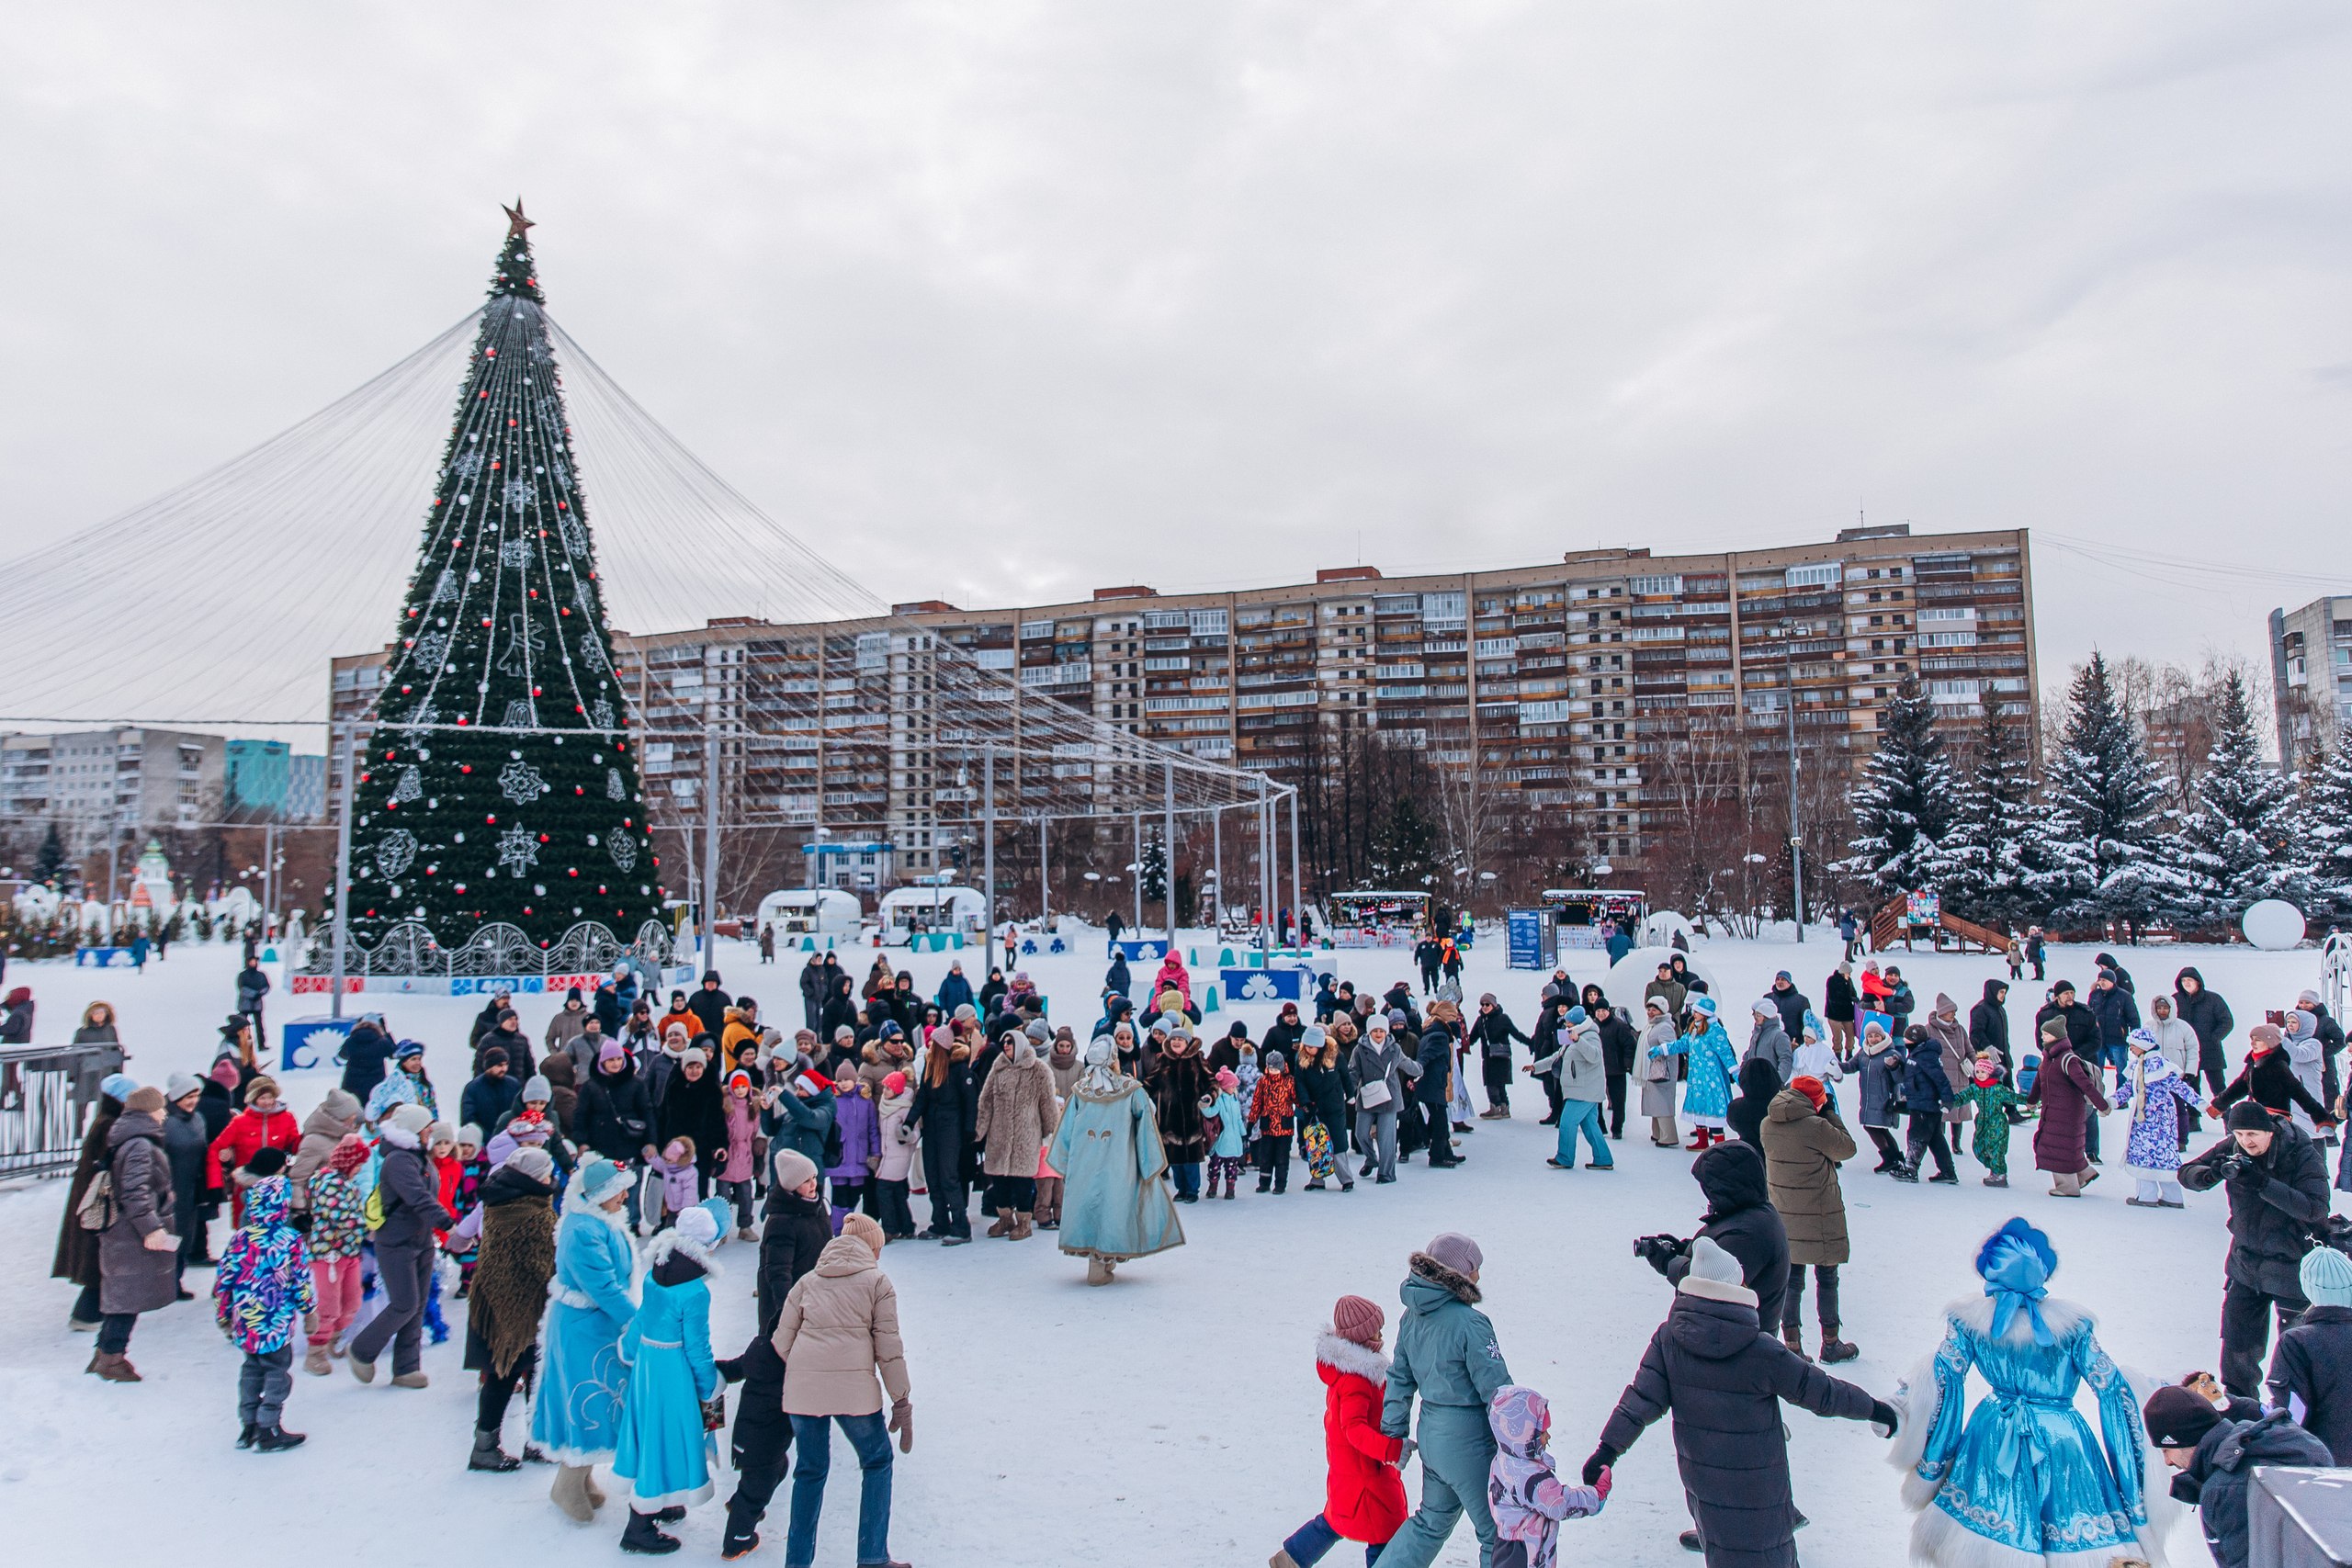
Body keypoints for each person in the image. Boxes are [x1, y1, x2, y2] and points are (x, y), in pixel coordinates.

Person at [1588, 1235, 1891, 1568]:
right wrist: (1874, 1409)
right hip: (1761, 1492)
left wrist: (1607, 1451)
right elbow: (1822, 1392)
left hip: (1705, 1490)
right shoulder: (1759, 1349)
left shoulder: (1669, 1340)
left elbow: (1639, 1400)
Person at [1889, 1218, 2162, 1568]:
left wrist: (1903, 1406)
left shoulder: (1969, 1322)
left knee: (1988, 1533)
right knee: (2073, 1527)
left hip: (1993, 1432)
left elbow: (1943, 1377)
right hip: (2064, 1439)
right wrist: (2153, 1396)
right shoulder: (2073, 1326)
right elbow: (2111, 1388)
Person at [772, 1213, 912, 1568]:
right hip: (855, 1393)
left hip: (804, 1392)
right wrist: (901, 1400)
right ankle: (873, 1556)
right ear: (871, 1247)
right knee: (877, 1461)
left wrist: (808, 1369)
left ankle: (797, 1563)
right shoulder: (877, 1282)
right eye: (878, 1248)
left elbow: (781, 1341)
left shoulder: (807, 1281)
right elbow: (888, 1348)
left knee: (810, 1470)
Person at [2180, 1102, 2334, 1397]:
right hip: (2246, 1264)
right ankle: (2241, 1408)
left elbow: (2315, 1209)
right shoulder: (2234, 1147)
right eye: (2239, 1134)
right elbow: (2186, 1173)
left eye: (2252, 1134)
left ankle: (2294, 1412)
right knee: (2237, 1348)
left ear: (2270, 1131)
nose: (2246, 1141)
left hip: (2293, 1267)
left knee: (2297, 1353)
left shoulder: (2300, 1152)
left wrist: (2263, 1184)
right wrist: (2209, 1174)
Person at [1378, 1234, 1511, 1568]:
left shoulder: (1411, 1317)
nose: (1478, 1275)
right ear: (1459, 1272)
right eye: (1474, 1267)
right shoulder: (1471, 1324)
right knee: (1497, 1533)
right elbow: (1497, 1389)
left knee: (1430, 1522)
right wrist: (1522, 1436)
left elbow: (1399, 1378)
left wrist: (1393, 1431)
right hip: (1468, 1440)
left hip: (1432, 1435)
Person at [612, 1197, 734, 1555]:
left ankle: (664, 1501)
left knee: (651, 1433)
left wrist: (629, 1348)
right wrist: (710, 1384)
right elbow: (697, 1347)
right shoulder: (695, 1290)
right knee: (668, 1438)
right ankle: (638, 1527)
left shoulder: (656, 1272)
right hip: (673, 1373)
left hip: (648, 1367)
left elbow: (643, 1318)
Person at [1272, 1295, 1408, 1568]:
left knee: (1337, 1520)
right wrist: (1392, 1450)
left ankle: (1289, 1559)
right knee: (1384, 1531)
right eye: (1375, 1331)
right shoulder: (1357, 1379)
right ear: (1361, 1337)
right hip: (1367, 1475)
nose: (1381, 1336)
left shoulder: (1351, 1372)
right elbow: (1354, 1430)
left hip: (1350, 1471)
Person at [2144, 1382, 2333, 1568]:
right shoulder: (2278, 1442)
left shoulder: (2224, 1490)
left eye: (2166, 1450)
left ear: (2183, 1440)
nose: (2167, 1461)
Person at [1046, 1037, 1184, 1284]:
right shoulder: (1131, 1091)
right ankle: (1102, 1263)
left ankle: (1100, 1262)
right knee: (1114, 1207)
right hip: (1120, 1163)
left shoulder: (1081, 1091)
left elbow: (1065, 1131)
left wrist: (1064, 1162)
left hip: (1085, 1164)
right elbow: (1146, 1126)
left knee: (1091, 1206)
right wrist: (1149, 1162)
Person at [1635, 1139, 1791, 1338]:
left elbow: (1709, 1285)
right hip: (1729, 1333)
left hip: (1735, 1342)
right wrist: (1685, 1249)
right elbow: (1720, 1254)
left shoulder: (1748, 1233)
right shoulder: (1748, 1213)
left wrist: (1667, 1262)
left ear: (1728, 1187)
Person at [1759, 1075, 1858, 1362]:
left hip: (1784, 1213)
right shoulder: (1816, 1127)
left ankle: (1792, 1345)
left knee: (1791, 1280)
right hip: (1820, 1214)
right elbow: (1847, 1149)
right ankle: (1831, 1343)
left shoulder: (1768, 1124)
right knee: (1827, 1277)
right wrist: (1831, 1115)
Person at [213, 1169, 313, 1451]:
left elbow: (225, 1279)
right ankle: (269, 1427)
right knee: (277, 1371)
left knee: (251, 1368)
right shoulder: (289, 1240)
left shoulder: (240, 1238)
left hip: (245, 1319)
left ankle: (248, 1425)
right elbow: (299, 1280)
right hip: (275, 1320)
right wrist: (309, 1310)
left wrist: (223, 1313)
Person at [88, 1085, 177, 1382]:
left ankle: (103, 1354)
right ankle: (112, 1359)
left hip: (123, 1232)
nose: (164, 1114)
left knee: (122, 1296)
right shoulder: (140, 1144)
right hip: (131, 1234)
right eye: (160, 1108)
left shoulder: (128, 1138)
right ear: (148, 1111)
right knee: (127, 1298)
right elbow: (135, 1193)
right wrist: (151, 1228)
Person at [1487, 1384, 1608, 1568]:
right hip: (1524, 1554)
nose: (1548, 1436)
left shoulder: (1505, 1458)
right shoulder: (1530, 1476)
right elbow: (1560, 1504)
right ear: (1523, 1434)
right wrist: (1596, 1495)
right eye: (1542, 1432)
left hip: (1507, 1548)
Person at [975, 1032, 1060, 1235]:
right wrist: (979, 1130)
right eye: (1004, 1042)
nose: (1005, 1045)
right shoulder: (999, 1067)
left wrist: (1052, 1129)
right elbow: (986, 1101)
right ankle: (1005, 1219)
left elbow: (1047, 1103)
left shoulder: (1038, 1069)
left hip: (1026, 1135)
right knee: (999, 1180)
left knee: (1023, 1181)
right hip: (999, 1135)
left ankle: (1024, 1222)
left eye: (1010, 1042)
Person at [906, 1032, 976, 1245]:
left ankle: (961, 1226)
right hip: (932, 1128)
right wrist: (909, 1121)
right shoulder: (931, 1066)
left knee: (948, 1177)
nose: (929, 1047)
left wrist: (969, 1129)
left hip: (951, 1129)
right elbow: (922, 1098)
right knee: (933, 1176)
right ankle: (940, 1222)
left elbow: (971, 1101)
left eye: (933, 1044)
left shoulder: (959, 1069)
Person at [2027, 1016, 2109, 1198]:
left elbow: (2085, 1085)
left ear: (2057, 1036)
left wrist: (2102, 1105)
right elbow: (2038, 1083)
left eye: (2046, 1034)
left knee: (2058, 1148)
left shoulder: (2068, 1059)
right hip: (2053, 1112)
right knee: (2063, 1146)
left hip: (2068, 1113)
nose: (2043, 1037)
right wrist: (2031, 1101)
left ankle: (2067, 1187)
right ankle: (2084, 1174)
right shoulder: (2048, 1058)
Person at [2123, 1026, 2203, 1208]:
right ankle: (2172, 1197)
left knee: (2146, 1154)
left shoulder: (2161, 1066)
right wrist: (2110, 1103)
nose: (2131, 1049)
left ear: (2143, 1046)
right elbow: (2128, 1089)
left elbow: (2181, 1088)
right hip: (2153, 1120)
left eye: (2133, 1045)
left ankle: (2146, 1196)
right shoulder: (2138, 1066)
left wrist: (2202, 1104)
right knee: (2163, 1155)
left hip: (2153, 1120)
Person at [207, 1075, 301, 1225]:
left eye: (270, 1097)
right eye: (262, 1098)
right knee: (248, 1229)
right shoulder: (240, 1123)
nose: (268, 1102)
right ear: (253, 1098)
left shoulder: (287, 1118)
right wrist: (216, 1184)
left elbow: (296, 1146)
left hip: (277, 1186)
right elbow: (215, 1148)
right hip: (246, 1186)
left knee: (277, 1228)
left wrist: (308, 1138)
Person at [1531, 1008, 1612, 1172]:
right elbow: (1556, 1057)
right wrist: (1535, 1067)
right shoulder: (1572, 1037)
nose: (1566, 1026)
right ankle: (1603, 1159)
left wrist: (1578, 1040)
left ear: (1577, 1023)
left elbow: (1595, 1056)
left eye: (1569, 1023)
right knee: (1590, 1127)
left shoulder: (1590, 1036)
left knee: (1567, 1122)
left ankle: (1564, 1158)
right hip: (1581, 1090)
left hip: (1584, 1091)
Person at [1662, 996, 1737, 1151]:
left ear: (1705, 1013)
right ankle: (1702, 1142)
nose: (1693, 1013)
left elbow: (1726, 1054)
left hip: (1712, 1080)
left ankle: (1719, 1146)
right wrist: (1661, 1049)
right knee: (1699, 1107)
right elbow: (1682, 1044)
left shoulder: (1716, 1031)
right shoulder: (1694, 1029)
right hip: (1696, 1078)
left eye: (1697, 1011)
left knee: (1713, 1111)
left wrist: (1736, 1073)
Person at [1350, 1018, 1418, 1185]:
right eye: (1375, 1031)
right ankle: (1371, 1158)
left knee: (1387, 1138)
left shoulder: (1394, 1048)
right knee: (1361, 1133)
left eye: (1381, 1031)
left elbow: (1405, 1063)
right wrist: (1349, 1091)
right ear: (1369, 1032)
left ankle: (1386, 1173)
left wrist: (1419, 1070)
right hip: (1368, 1095)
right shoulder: (1360, 1049)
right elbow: (1353, 1071)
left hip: (1389, 1096)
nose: (1378, 1034)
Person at [1951, 1057, 2027, 1189]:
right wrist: (1949, 1102)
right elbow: (1962, 1097)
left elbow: (2013, 1097)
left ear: (1990, 1073)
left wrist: (2029, 1101)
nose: (1980, 1074)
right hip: (1982, 1123)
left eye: (1983, 1072)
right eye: (1977, 1072)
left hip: (1997, 1122)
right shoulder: (1975, 1088)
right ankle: (1994, 1170)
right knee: (1979, 1147)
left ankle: (2000, 1174)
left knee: (1996, 1149)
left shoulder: (1998, 1089)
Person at [1898, 1023, 1958, 1184]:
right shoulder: (1918, 1053)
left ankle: (1910, 1168)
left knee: (1917, 1136)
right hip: (1922, 1102)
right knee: (1935, 1138)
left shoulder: (1925, 1055)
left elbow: (1940, 1079)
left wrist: (1947, 1099)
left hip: (1925, 1104)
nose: (1905, 1042)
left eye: (1907, 1039)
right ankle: (1948, 1172)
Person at [2175, 966, 2236, 1101]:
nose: (2186, 983)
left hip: (2211, 1051)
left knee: (2219, 1089)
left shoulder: (2213, 999)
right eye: (2183, 980)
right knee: (2191, 1090)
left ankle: (2226, 1114)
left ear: (2198, 982)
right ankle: (2194, 1115)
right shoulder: (2175, 1000)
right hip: (2187, 1052)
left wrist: (2214, 1038)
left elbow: (2227, 1021)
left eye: (2189, 980)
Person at [1470, 993, 1530, 1119]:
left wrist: (1530, 1043)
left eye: (1487, 1004)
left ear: (1494, 1005)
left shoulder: (1503, 1019)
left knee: (1494, 1083)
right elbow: (1472, 1038)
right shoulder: (1481, 1020)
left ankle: (1496, 1108)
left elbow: (1516, 1034)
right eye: (1482, 1004)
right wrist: (1461, 1045)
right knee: (1496, 1082)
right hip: (1488, 1057)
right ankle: (1504, 1108)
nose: (1484, 1007)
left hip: (1501, 1057)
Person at [1252, 1050, 1300, 1193]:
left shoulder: (1289, 1081)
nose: (1273, 1072)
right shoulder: (1263, 1081)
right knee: (1265, 1157)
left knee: (1281, 1157)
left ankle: (1280, 1184)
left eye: (1276, 1069)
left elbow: (1296, 1098)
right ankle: (1264, 1183)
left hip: (1284, 1127)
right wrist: (1251, 1121)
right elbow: (1257, 1102)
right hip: (1267, 1126)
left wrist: (1306, 1105)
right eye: (1271, 1069)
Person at [1636, 998, 1682, 1148]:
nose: (1650, 1012)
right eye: (1648, 1009)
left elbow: (1670, 1049)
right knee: (1655, 1102)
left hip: (1663, 1073)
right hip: (1653, 1071)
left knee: (1662, 1103)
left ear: (1662, 1011)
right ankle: (1657, 1133)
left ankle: (1668, 1136)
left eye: (1654, 1009)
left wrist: (1658, 1052)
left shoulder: (1664, 1027)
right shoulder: (1652, 1026)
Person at [236, 954, 271, 1047]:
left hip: (257, 1004)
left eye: (254, 961)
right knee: (242, 1025)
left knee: (259, 1026)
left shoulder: (261, 975)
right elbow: (242, 988)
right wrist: (253, 994)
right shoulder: (242, 975)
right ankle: (243, 1044)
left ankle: (261, 1044)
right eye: (251, 961)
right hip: (245, 1004)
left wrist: (260, 994)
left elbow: (267, 986)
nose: (253, 963)